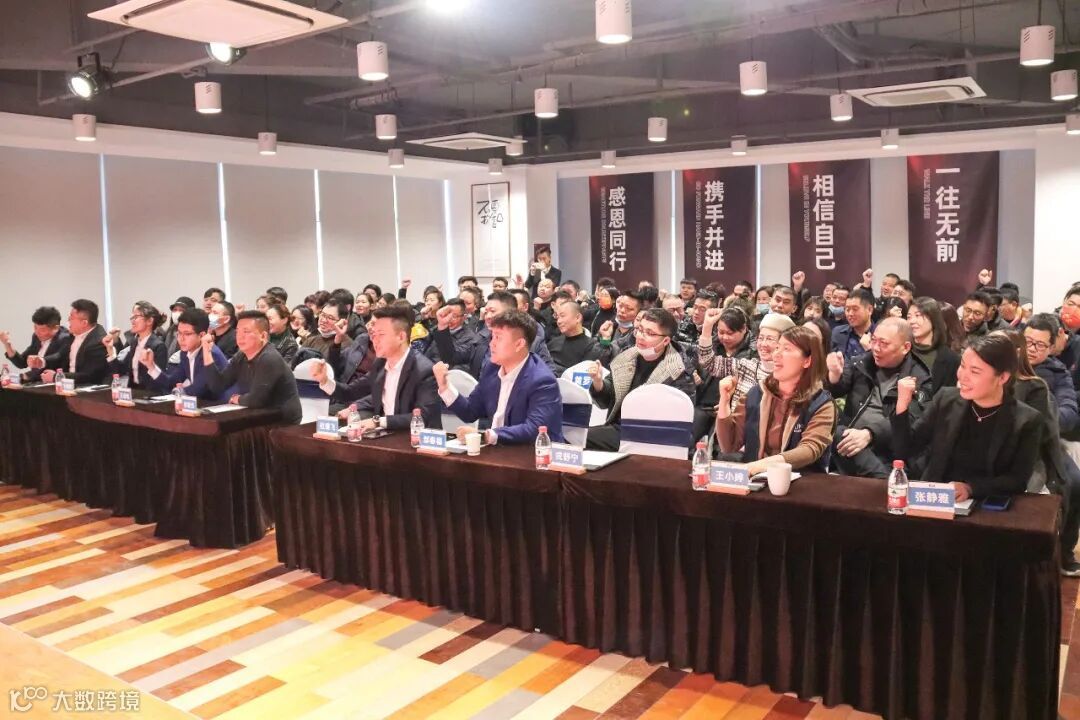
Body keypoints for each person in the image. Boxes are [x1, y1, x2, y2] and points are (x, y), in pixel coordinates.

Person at [892, 334, 1043, 500]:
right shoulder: (946, 399)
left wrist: (971, 488)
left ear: (1002, 377)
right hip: (938, 497)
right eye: (962, 366)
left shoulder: (1026, 420)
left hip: (986, 502)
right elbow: (906, 449)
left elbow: (1017, 480)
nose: (962, 376)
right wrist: (902, 404)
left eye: (975, 371)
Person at [716, 325, 836, 474]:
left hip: (801, 482)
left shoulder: (821, 403)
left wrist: (761, 465)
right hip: (755, 480)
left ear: (807, 361)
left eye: (786, 349)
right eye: (777, 347)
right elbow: (728, 446)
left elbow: (810, 449)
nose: (776, 354)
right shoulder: (756, 394)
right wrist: (724, 401)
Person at [434, 310, 563, 445]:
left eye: (498, 338)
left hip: (534, 453)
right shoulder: (492, 369)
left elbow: (534, 429)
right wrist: (444, 387)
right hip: (498, 449)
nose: (491, 344)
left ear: (519, 344)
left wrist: (486, 436)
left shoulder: (542, 380)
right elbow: (470, 411)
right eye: (492, 337)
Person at [826, 317, 932, 478]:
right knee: (838, 432)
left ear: (905, 347)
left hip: (888, 453)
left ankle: (883, 480)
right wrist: (834, 375)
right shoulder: (863, 361)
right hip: (850, 442)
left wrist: (870, 433)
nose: (875, 348)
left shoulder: (920, 378)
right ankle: (885, 481)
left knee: (845, 438)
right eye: (874, 340)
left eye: (884, 343)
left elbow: (912, 420)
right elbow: (837, 389)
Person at [312, 304, 440, 430]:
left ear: (401, 337)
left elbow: (423, 417)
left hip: (416, 438)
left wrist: (378, 422)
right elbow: (350, 392)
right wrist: (325, 380)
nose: (375, 340)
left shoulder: (424, 370)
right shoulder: (381, 363)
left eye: (381, 335)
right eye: (374, 335)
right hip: (388, 434)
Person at [585, 308, 695, 451]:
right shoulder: (627, 356)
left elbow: (680, 420)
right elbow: (608, 401)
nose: (641, 337)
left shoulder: (679, 370)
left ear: (666, 340)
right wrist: (598, 382)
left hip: (651, 435)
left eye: (650, 333)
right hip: (620, 428)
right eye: (640, 330)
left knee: (581, 438)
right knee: (576, 435)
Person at [201, 310, 301, 424]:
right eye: (238, 332)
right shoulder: (241, 355)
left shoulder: (269, 358)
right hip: (258, 415)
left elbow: (257, 400)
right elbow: (217, 385)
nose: (240, 337)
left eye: (246, 332)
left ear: (263, 336)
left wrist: (237, 398)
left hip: (282, 420)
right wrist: (206, 351)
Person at [432, 292, 554, 378]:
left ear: (510, 313)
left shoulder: (533, 342)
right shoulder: (482, 338)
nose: (488, 316)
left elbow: (550, 375)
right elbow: (452, 357)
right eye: (486, 311)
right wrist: (442, 326)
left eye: (493, 311)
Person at [699, 312, 793, 413]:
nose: (763, 344)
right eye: (761, 338)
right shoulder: (746, 366)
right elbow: (708, 362)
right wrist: (707, 327)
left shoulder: (789, 378)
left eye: (770, 339)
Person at [142, 308, 228, 399]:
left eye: (187, 334)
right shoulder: (185, 353)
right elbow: (171, 382)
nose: (181, 339)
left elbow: (198, 389)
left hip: (221, 404)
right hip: (199, 403)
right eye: (179, 333)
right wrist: (151, 366)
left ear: (202, 335)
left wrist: (180, 390)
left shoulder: (211, 354)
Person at [1026, 314, 1079, 437]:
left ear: (1051, 348)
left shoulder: (1059, 372)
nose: (1032, 349)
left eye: (1040, 345)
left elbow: (1068, 413)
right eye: (1027, 342)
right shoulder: (1007, 361)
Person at [41, 299, 109, 386]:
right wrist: (42, 361)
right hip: (68, 385)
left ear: (84, 323)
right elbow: (60, 355)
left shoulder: (98, 342)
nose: (68, 320)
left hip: (87, 389)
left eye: (72, 317)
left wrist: (56, 376)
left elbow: (89, 376)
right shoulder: (72, 335)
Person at [104, 301, 168, 389]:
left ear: (149, 321)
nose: (132, 321)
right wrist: (111, 350)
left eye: (136, 317)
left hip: (150, 394)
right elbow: (121, 370)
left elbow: (158, 381)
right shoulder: (135, 343)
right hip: (134, 392)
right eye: (132, 317)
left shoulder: (158, 346)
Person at [0, 306, 71, 383]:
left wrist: (24, 376)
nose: (37, 332)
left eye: (42, 330)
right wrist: (7, 344)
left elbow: (53, 363)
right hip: (35, 382)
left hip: (54, 384)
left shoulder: (65, 338)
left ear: (56, 328)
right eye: (35, 327)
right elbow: (22, 363)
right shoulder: (36, 337)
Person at [907, 297, 960, 397]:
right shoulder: (903, 350)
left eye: (918, 315)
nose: (912, 321)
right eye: (909, 317)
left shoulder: (951, 359)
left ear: (933, 318)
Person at [548, 301, 602, 375]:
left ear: (577, 317)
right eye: (557, 317)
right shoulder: (553, 343)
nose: (559, 321)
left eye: (562, 316)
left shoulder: (592, 346)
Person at [831, 288, 875, 360]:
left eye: (855, 309)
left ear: (869, 310)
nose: (850, 314)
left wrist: (869, 350)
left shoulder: (879, 335)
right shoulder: (838, 332)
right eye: (847, 309)